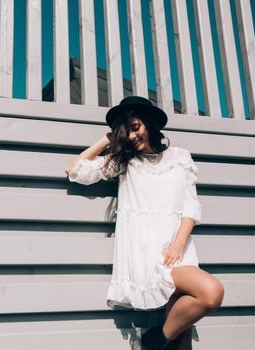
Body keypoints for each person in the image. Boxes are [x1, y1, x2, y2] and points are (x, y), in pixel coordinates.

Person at [64, 96, 224, 349]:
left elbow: (190, 206)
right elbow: (74, 170)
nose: (131, 136)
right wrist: (108, 139)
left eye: (135, 127)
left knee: (184, 340)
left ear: (149, 123)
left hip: (177, 250)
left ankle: (159, 338)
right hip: (146, 252)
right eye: (125, 131)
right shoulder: (125, 162)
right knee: (211, 293)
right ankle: (158, 338)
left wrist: (178, 245)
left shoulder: (180, 157)